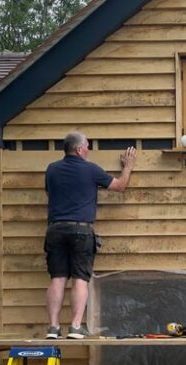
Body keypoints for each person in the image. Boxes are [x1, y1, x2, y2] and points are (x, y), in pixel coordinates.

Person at [44, 132, 136, 339]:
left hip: (55, 229)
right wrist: (128, 166)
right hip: (81, 230)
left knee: (57, 279)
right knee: (80, 279)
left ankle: (53, 327)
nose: (89, 149)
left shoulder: (52, 170)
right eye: (87, 146)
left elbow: (50, 194)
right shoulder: (91, 170)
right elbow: (120, 186)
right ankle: (75, 326)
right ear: (79, 149)